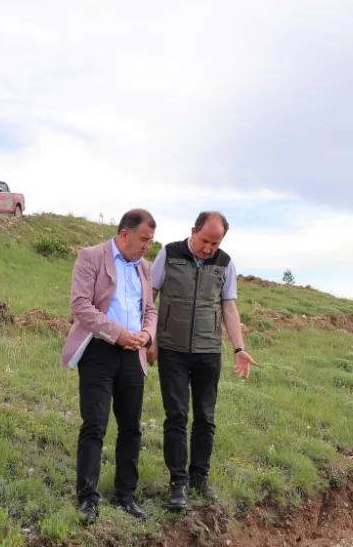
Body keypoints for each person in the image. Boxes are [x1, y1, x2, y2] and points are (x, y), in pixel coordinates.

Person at [148, 211, 258, 511]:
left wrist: (239, 348)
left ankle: (200, 478)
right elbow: (150, 297)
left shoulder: (224, 263)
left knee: (206, 418)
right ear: (193, 231)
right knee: (177, 416)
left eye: (215, 242)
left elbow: (229, 307)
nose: (209, 248)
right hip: (172, 349)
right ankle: (178, 483)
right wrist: (150, 337)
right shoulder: (169, 254)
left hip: (208, 351)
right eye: (205, 240)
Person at [61, 209, 159, 524]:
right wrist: (117, 334)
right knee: (95, 424)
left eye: (151, 241)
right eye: (144, 239)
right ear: (124, 233)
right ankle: (87, 498)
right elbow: (81, 305)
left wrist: (147, 334)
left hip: (133, 355)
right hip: (99, 352)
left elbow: (151, 309)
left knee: (131, 427)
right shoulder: (91, 257)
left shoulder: (146, 268)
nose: (147, 246)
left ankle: (126, 495)